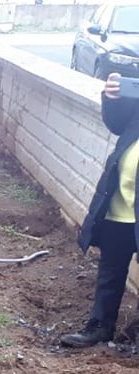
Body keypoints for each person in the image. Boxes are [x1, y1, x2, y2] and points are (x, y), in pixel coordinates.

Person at [61, 73, 139, 348]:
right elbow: (118, 122)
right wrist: (112, 97)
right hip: (121, 206)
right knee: (111, 270)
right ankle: (100, 326)